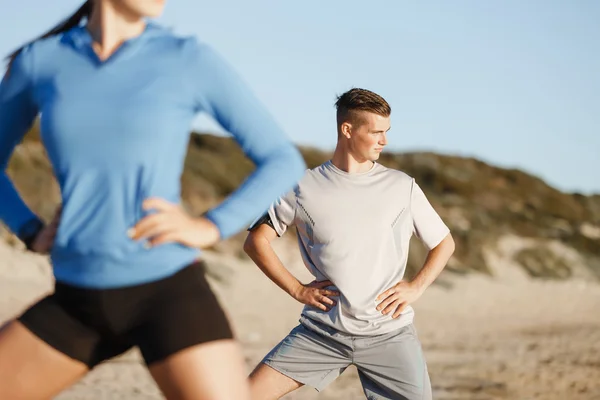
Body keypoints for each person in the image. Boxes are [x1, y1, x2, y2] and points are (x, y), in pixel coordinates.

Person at [0, 1, 306, 399]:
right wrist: (28, 229)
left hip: (168, 293)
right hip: (77, 298)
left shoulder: (186, 58)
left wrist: (210, 225)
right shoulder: (42, 61)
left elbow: (282, 159)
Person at [244, 88, 455, 400]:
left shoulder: (401, 187)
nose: (384, 141)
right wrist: (297, 289)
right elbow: (256, 241)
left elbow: (444, 243)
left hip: (389, 334)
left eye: (387, 132)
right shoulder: (302, 187)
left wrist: (416, 287)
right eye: (376, 132)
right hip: (322, 334)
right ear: (347, 129)